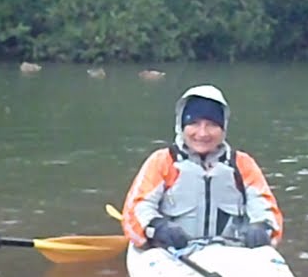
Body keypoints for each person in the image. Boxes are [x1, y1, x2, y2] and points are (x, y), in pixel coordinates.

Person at [120, 84, 284, 250]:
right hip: (171, 255)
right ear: (181, 126)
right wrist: (157, 227)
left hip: (233, 253)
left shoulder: (243, 164)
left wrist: (262, 227)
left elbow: (267, 210)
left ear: (223, 128)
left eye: (212, 124)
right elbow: (135, 211)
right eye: (194, 123)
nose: (202, 133)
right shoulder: (162, 161)